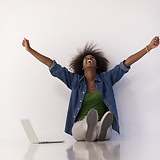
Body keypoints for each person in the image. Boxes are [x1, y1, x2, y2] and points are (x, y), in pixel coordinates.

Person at [22, 36, 159, 142]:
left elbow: (125, 64)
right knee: (80, 129)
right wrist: (30, 50)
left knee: (105, 130)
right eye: (86, 58)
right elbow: (53, 66)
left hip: (101, 125)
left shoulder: (107, 79)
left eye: (92, 58)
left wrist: (148, 47)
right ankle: (90, 127)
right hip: (79, 128)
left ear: (97, 65)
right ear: (82, 66)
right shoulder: (75, 81)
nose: (89, 59)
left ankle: (98, 128)